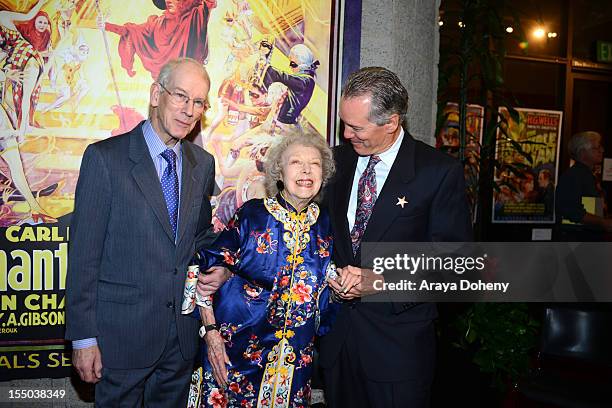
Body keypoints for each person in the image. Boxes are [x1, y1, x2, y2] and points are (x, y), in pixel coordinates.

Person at [65, 58, 229, 407]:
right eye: (181, 96)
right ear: (157, 94)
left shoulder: (202, 164)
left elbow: (197, 236)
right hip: (121, 338)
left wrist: (221, 264)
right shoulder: (105, 159)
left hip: (181, 340)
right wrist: (82, 339)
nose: (189, 110)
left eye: (198, 102)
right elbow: (84, 257)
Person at [319, 67, 472, 408]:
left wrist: (383, 281)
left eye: (357, 127)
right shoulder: (336, 161)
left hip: (397, 350)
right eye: (344, 123)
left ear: (391, 122)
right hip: (338, 343)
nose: (346, 134)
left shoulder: (437, 172)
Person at [186, 131, 338, 407]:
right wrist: (210, 333)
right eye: (296, 163)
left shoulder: (327, 224)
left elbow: (332, 287)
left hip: (293, 369)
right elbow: (203, 269)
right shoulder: (253, 215)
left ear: (324, 174)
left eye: (314, 164)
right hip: (234, 356)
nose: (306, 170)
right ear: (279, 172)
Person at [97, 0, 216, 80]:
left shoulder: (197, 15)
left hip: (188, 82)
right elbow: (131, 31)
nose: (168, 0)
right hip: (164, 86)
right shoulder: (157, 24)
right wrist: (106, 26)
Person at [556, 131, 611, 240]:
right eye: (597, 147)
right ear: (582, 152)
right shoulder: (574, 176)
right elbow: (571, 211)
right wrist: (603, 222)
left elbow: (590, 208)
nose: (602, 150)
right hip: (577, 242)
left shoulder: (587, 175)